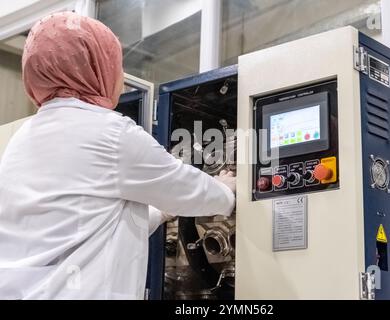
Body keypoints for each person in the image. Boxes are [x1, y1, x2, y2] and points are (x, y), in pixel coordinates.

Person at [0, 12, 236, 300]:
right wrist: (226, 191)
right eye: (115, 64)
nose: (121, 78)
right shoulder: (109, 132)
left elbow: (81, 226)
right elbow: (184, 186)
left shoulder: (21, 140)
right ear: (93, 68)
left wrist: (160, 214)